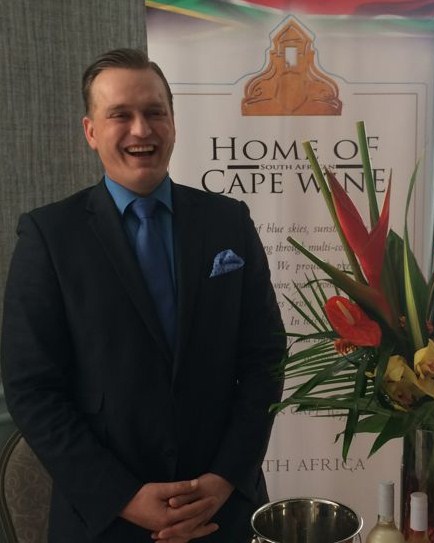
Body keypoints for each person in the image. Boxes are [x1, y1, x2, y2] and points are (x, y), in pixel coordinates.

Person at [0, 48, 285, 543]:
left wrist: (224, 478)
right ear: (91, 131)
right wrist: (122, 497)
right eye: (120, 115)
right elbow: (32, 388)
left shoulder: (229, 222)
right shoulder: (49, 236)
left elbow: (265, 358)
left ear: (173, 123)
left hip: (221, 512)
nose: (141, 130)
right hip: (106, 520)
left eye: (155, 112)